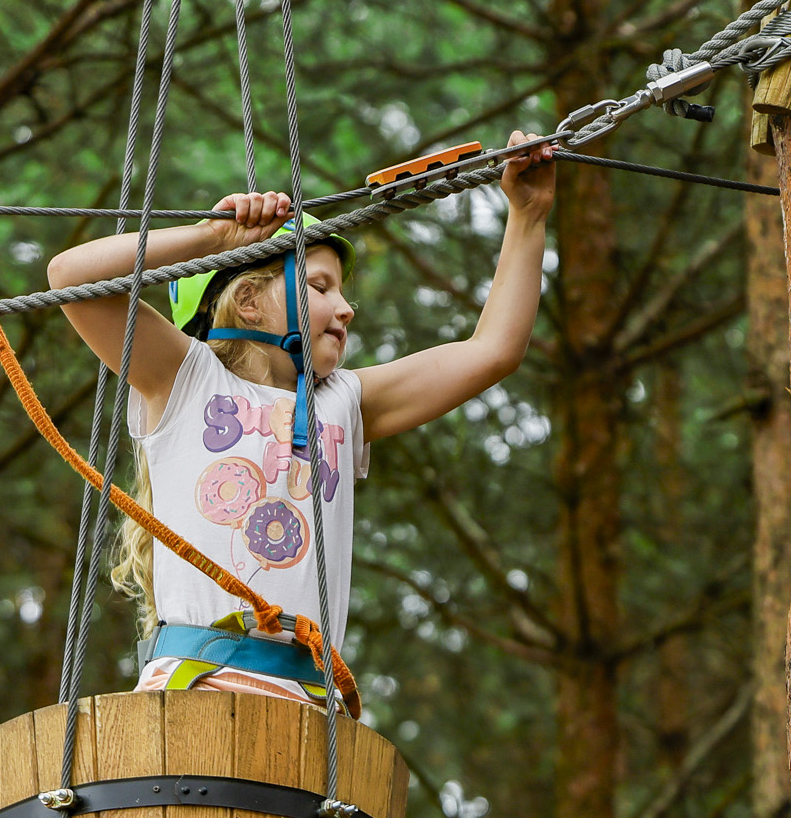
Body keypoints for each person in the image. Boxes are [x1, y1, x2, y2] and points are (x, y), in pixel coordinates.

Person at [45, 132, 556, 703]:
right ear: (248, 302)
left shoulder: (342, 401)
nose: (346, 308)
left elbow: (493, 352)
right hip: (197, 688)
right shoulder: (185, 380)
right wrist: (212, 238)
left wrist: (528, 216)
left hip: (311, 701)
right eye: (319, 286)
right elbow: (72, 279)